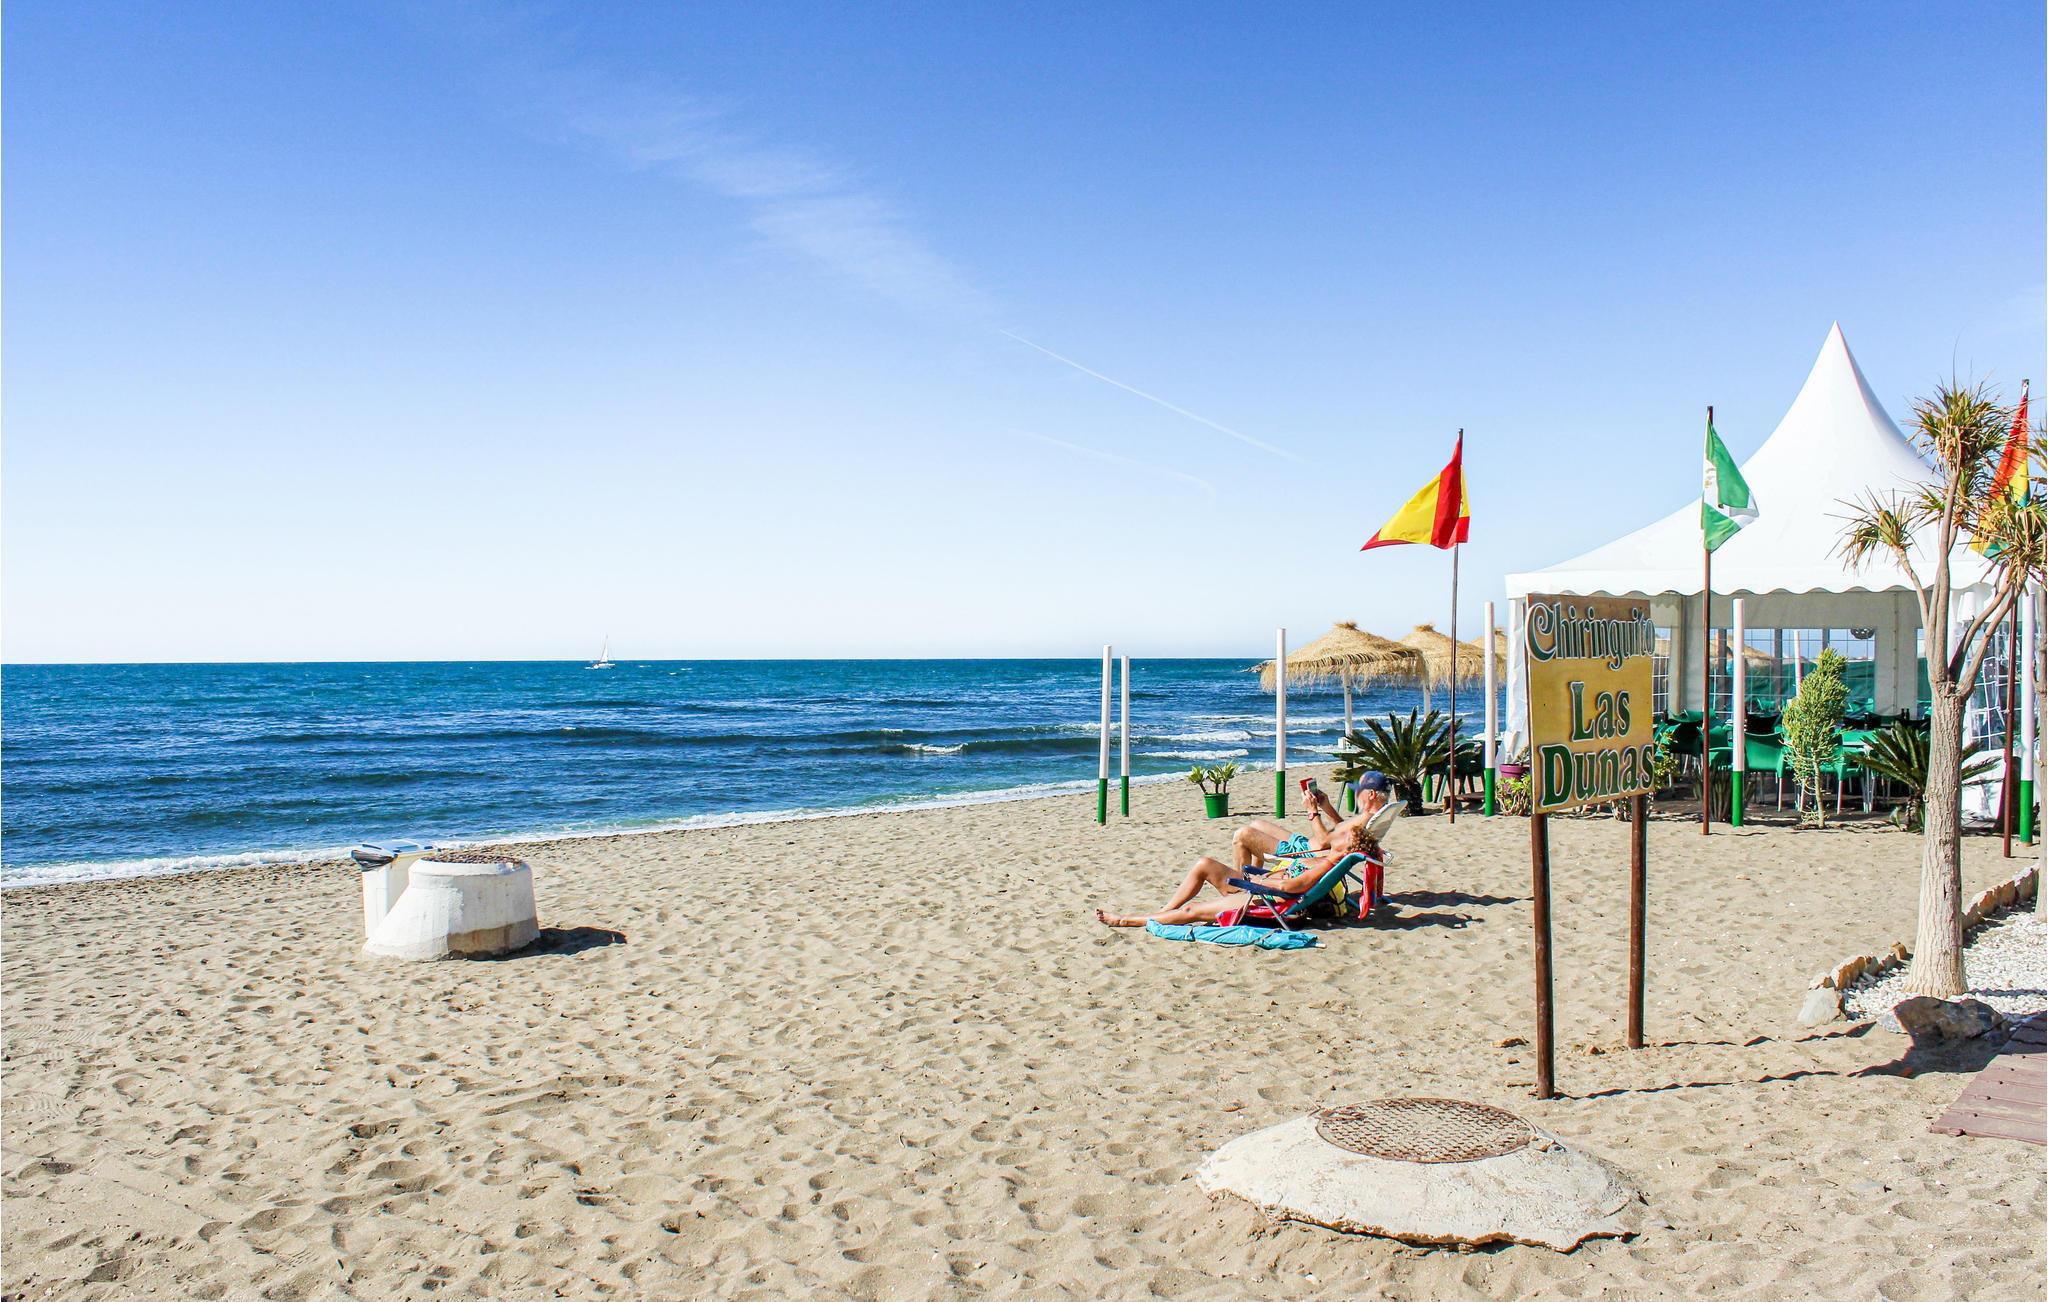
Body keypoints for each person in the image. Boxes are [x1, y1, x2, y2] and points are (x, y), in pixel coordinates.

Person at [1095, 820, 1379, 929]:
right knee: (1204, 864)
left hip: (1264, 898)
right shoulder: (1327, 858)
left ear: (1347, 847)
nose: (1339, 832)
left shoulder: (1327, 865)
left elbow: (1291, 887)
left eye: (1344, 834)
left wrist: (1258, 881)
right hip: (1257, 888)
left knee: (1193, 910)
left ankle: (1127, 920)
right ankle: (1163, 911)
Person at [1228, 772, 1389, 869]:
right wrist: (1326, 806)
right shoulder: (1372, 817)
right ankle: (1254, 878)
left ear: (1371, 794)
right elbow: (1343, 829)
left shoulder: (1366, 818)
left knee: (1242, 835)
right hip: (1305, 845)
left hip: (1307, 855)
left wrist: (1312, 811)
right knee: (1256, 825)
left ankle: (1240, 889)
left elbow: (1324, 841)